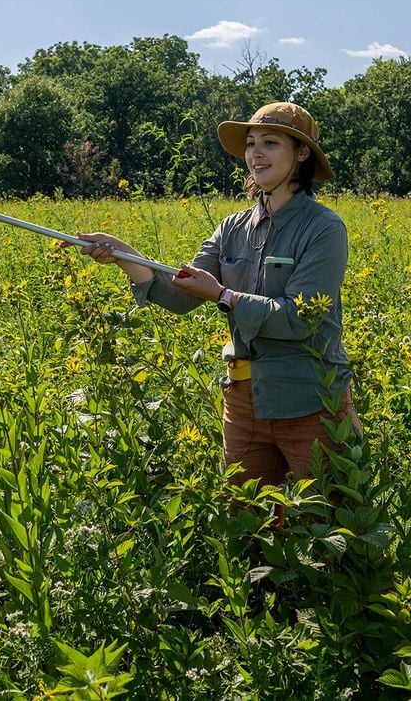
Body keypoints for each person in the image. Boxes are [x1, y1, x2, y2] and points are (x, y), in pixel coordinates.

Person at [71, 102, 359, 496]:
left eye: (270, 143)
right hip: (243, 402)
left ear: (302, 152)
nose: (255, 154)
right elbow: (181, 294)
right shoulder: (232, 227)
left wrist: (224, 295)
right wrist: (124, 254)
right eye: (251, 143)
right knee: (246, 516)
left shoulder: (323, 229)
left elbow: (299, 318)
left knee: (325, 518)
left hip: (311, 402)